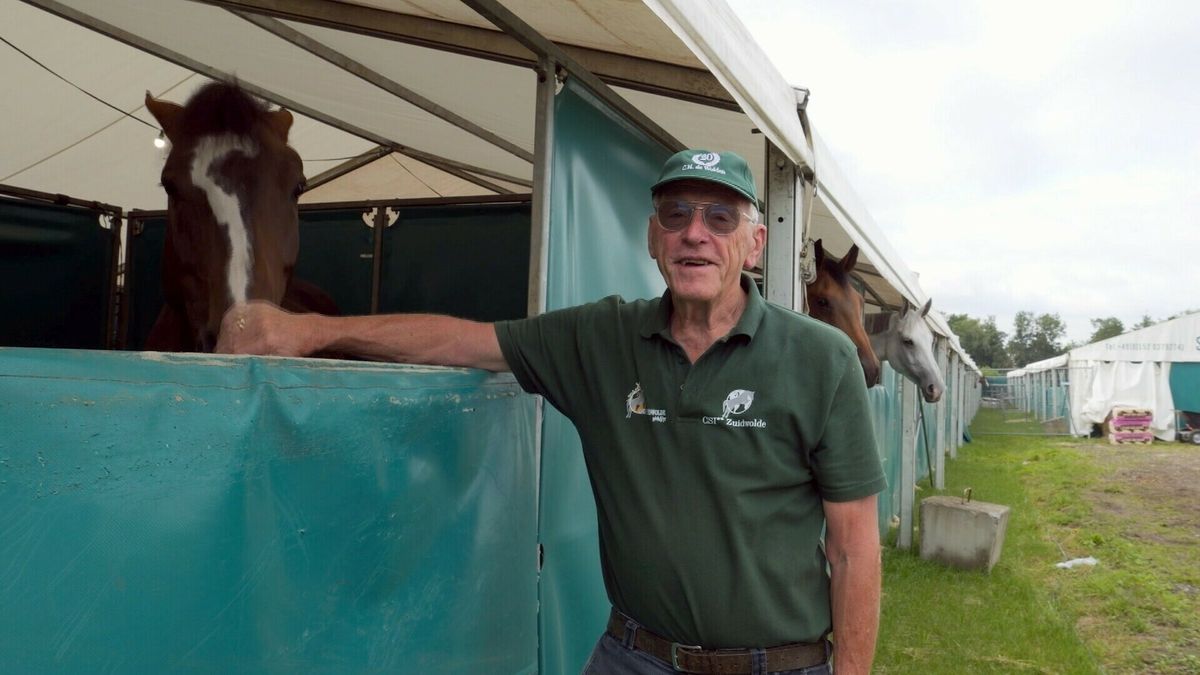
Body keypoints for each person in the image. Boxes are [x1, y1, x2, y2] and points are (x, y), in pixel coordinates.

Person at [216, 149, 886, 675]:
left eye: (720, 217)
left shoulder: (820, 359)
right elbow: (465, 340)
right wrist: (307, 332)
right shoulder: (602, 339)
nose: (695, 233)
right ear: (654, 237)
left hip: (777, 665)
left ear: (755, 243)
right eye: (676, 214)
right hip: (635, 655)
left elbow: (854, 546)